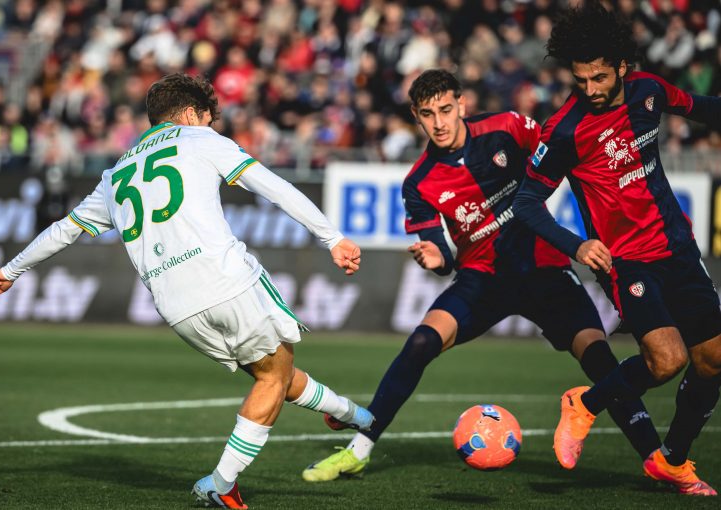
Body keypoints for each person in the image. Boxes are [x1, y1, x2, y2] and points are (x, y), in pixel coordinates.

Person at [0, 73, 373, 509]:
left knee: (268, 372)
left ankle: (351, 415)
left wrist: (11, 270)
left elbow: (63, 230)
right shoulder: (201, 140)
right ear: (189, 114)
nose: (211, 125)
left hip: (175, 305)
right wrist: (331, 238)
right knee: (274, 375)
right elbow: (273, 187)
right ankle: (221, 485)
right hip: (226, 280)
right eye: (207, 117)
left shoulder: (115, 173)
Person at [301, 68, 661, 483]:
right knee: (420, 342)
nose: (438, 122)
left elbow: (560, 153)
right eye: (427, 114)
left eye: (445, 109)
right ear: (416, 118)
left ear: (461, 105)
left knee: (599, 359)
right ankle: (359, 449)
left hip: (545, 270)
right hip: (483, 278)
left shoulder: (506, 128)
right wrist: (436, 259)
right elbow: (441, 252)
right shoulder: (418, 182)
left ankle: (658, 457)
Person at [512, 3, 721, 497]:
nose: (591, 89)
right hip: (624, 258)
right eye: (581, 80)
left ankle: (672, 461)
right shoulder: (564, 129)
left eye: (600, 77)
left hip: (677, 247)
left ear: (623, 66)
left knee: (713, 358)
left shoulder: (649, 92)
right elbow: (526, 202)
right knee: (666, 360)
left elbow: (704, 108)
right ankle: (584, 404)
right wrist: (577, 244)